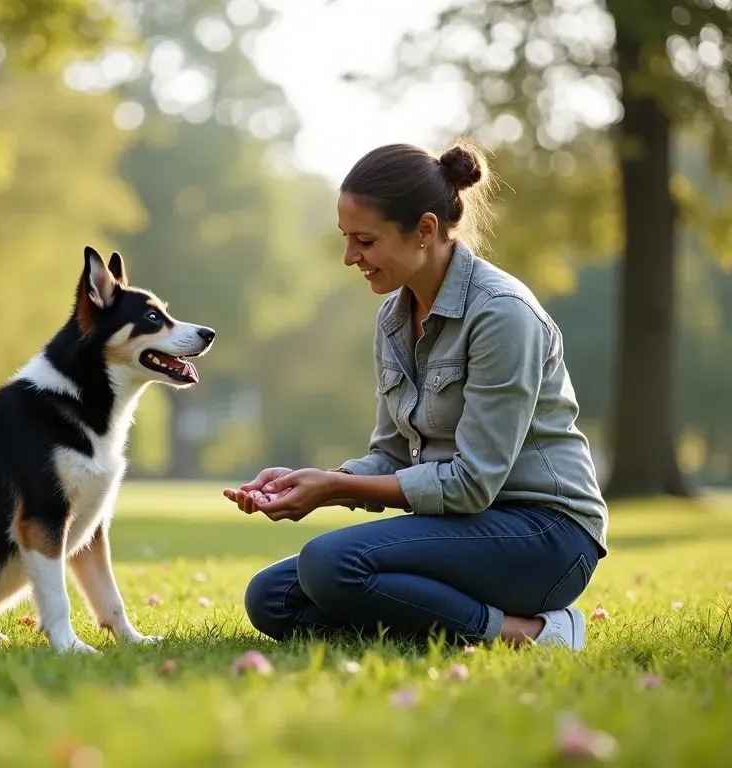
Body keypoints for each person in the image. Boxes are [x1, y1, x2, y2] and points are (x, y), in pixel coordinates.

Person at [223, 141, 608, 651]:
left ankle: (534, 632)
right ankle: (437, 626)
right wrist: (317, 484)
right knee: (273, 598)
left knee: (329, 565)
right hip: (460, 527)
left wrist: (336, 488)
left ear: (425, 230)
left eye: (364, 240)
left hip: (545, 537)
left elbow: (474, 483)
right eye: (346, 239)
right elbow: (392, 455)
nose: (349, 257)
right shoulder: (393, 319)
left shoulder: (502, 314)